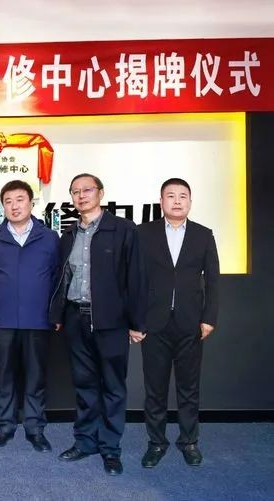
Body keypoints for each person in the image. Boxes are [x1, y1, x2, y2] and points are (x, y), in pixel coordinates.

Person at [49, 173, 146, 476]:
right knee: (84, 384)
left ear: (101, 193)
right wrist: (58, 315)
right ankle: (85, 441)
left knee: (113, 386)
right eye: (75, 192)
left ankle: (110, 448)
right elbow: (61, 278)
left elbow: (137, 278)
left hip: (111, 320)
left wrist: (137, 323)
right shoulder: (69, 234)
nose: (81, 196)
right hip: (76, 318)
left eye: (87, 190)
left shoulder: (123, 229)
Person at [138, 178, 219, 468]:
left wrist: (209, 318)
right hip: (153, 324)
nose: (176, 201)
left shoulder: (203, 235)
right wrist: (135, 320)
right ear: (161, 201)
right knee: (155, 389)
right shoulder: (143, 233)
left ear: (190, 202)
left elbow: (213, 280)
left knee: (189, 388)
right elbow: (134, 279)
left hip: (190, 324)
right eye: (170, 196)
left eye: (182, 196)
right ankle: (156, 443)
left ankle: (189, 442)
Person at [0, 180, 59, 451]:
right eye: (8, 201)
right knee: (3, 376)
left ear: (31, 203)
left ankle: (35, 428)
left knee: (36, 376)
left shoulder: (49, 238)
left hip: (38, 320)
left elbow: (57, 278)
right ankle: (4, 426)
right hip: (2, 319)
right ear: (3, 207)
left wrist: (56, 314)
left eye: (20, 199)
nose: (14, 206)